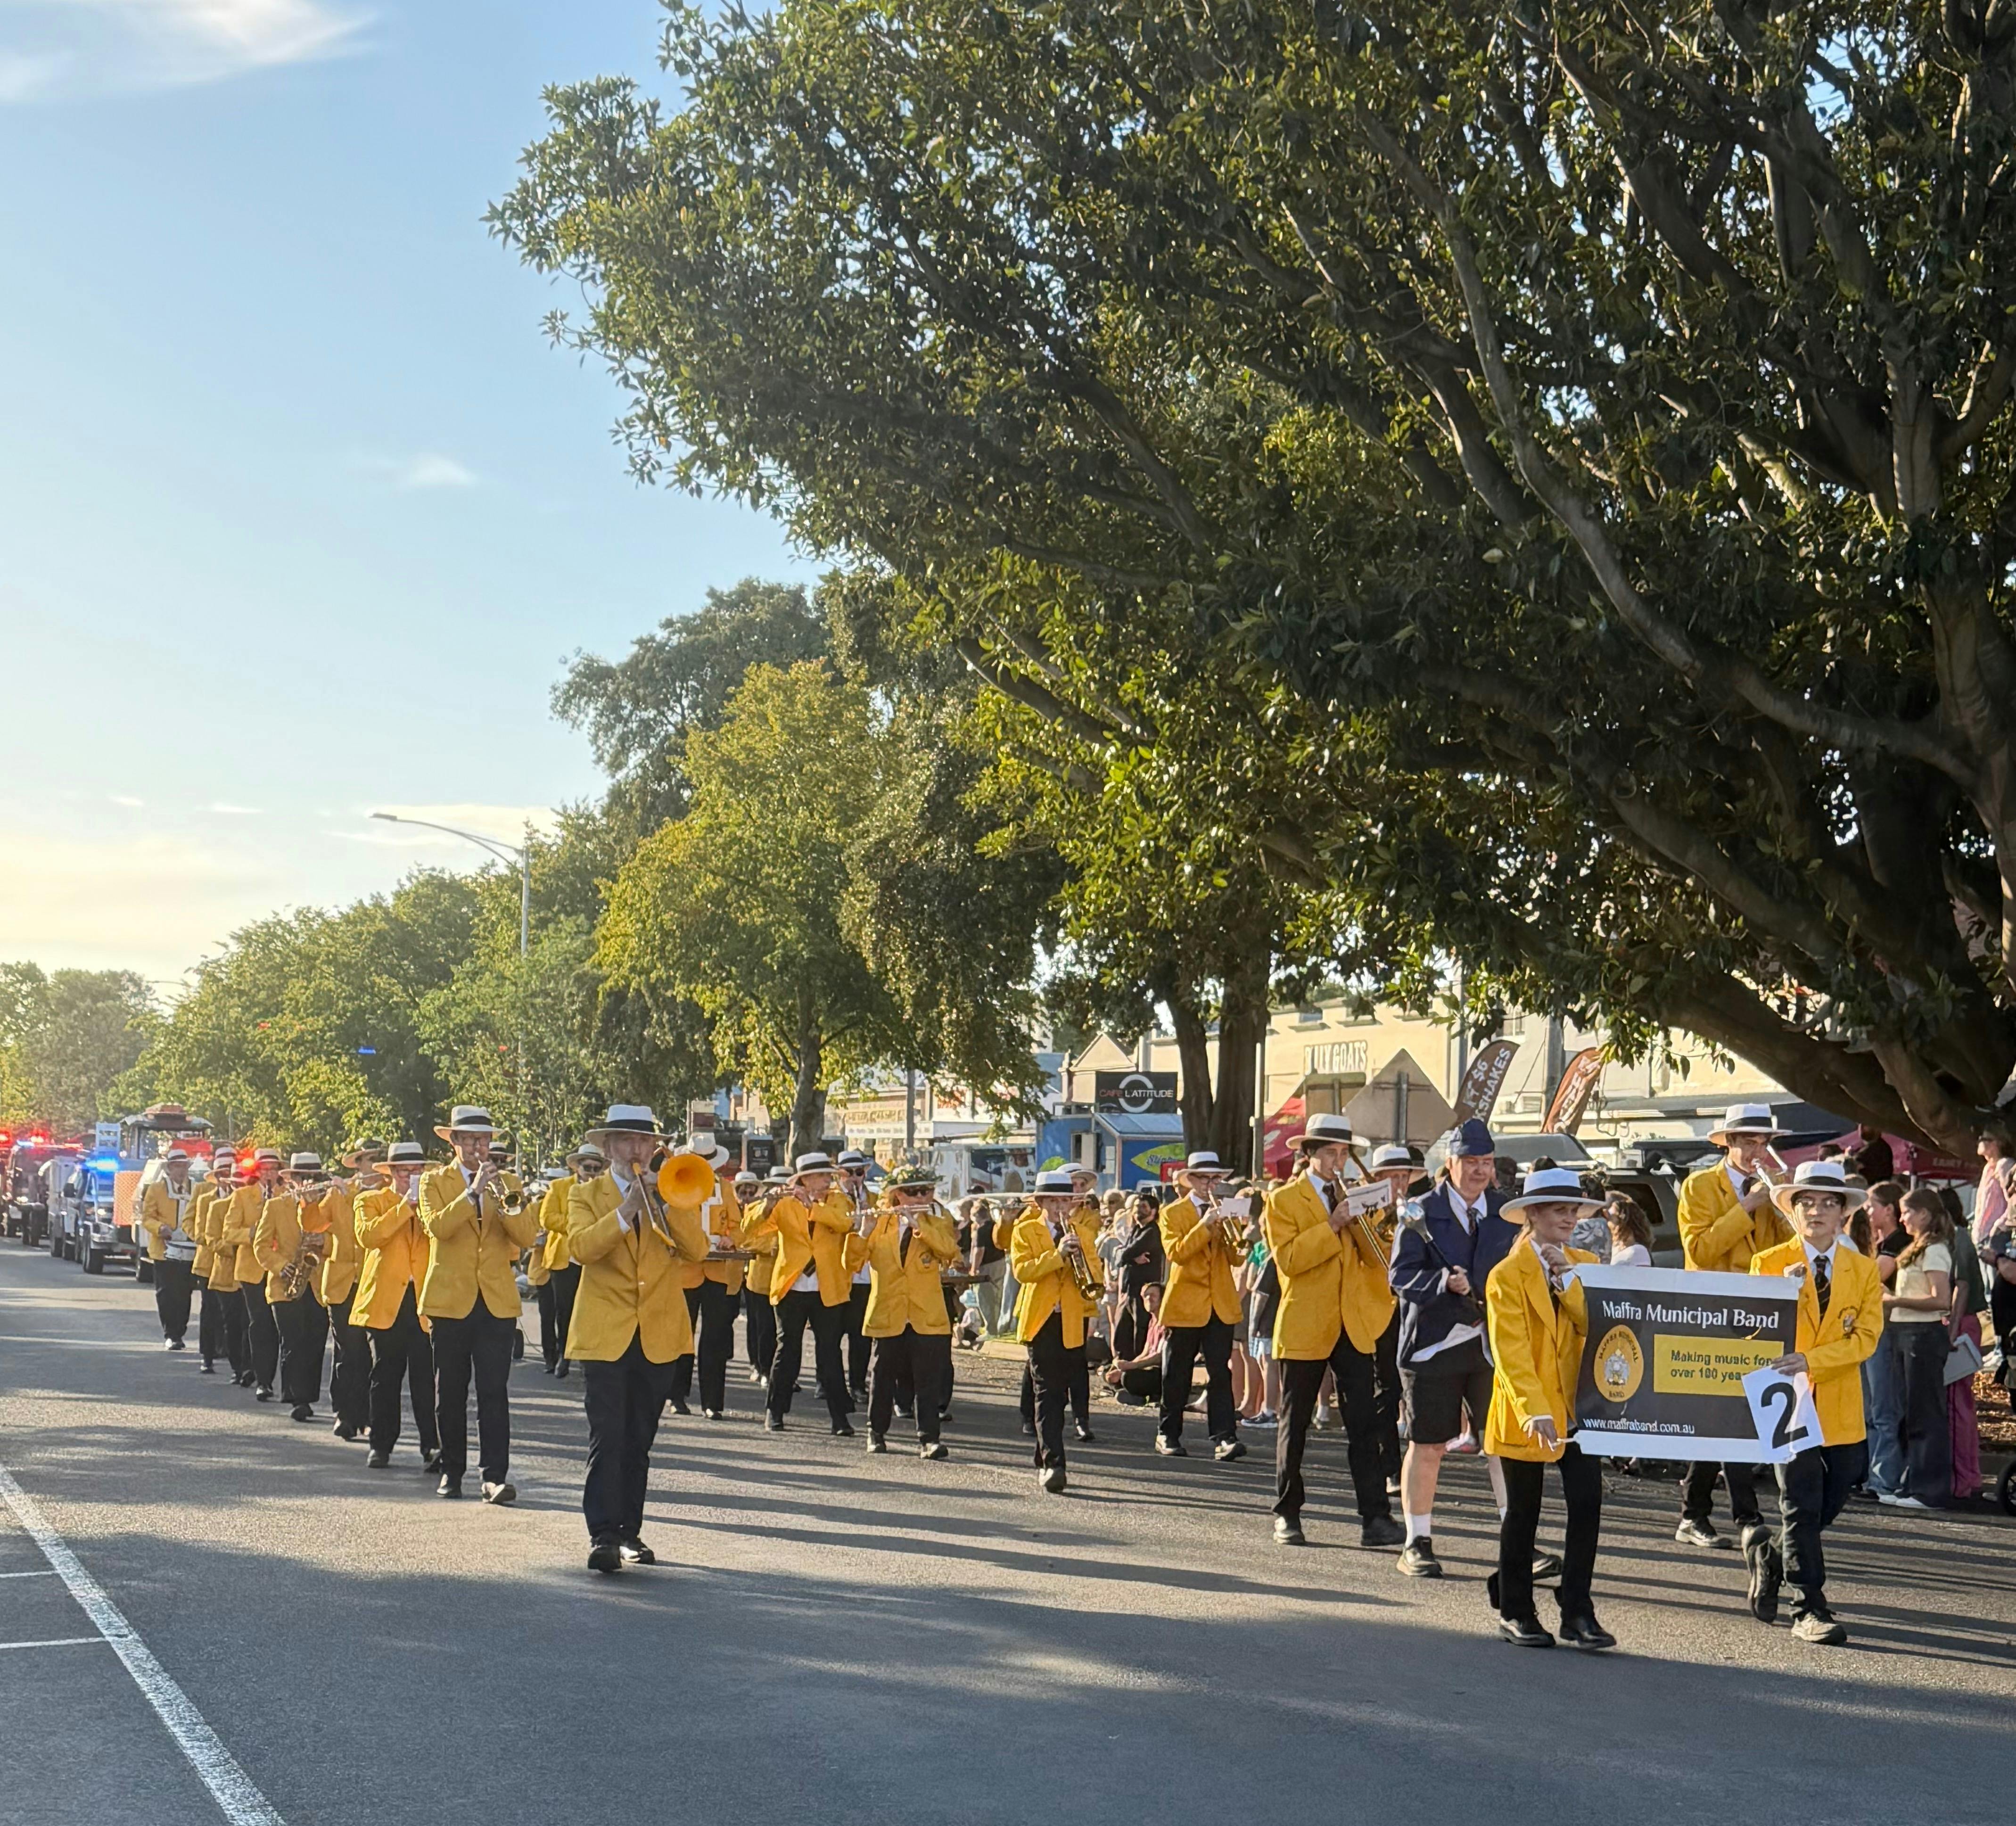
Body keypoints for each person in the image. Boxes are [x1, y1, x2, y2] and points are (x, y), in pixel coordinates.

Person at [567, 1104, 711, 1572]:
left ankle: (630, 1530)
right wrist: (628, 1209)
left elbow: (698, 1250)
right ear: (607, 1147)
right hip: (605, 1331)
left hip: (658, 1333)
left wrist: (666, 1202)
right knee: (607, 1434)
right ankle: (603, 1533)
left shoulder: (670, 1192)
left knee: (639, 1437)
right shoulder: (585, 1194)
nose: (637, 1150)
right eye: (627, 1141)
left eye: (644, 1141)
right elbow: (581, 1248)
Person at [1749, 1160, 1885, 1645]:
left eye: (1828, 1203)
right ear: (1793, 1208)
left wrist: (1811, 1359)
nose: (1816, 1211)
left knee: (1837, 1489)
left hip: (1841, 1405)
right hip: (1785, 1402)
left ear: (1843, 1214)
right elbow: (1748, 1332)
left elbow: (1865, 1339)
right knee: (1799, 1503)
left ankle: (1771, 1555)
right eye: (1806, 1201)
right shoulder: (1767, 1262)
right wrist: (1776, 1294)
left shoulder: (1863, 1269)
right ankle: (1807, 1605)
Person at [1485, 1168, 1612, 1650]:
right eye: (1558, 1208)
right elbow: (1509, 1351)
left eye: (1573, 1208)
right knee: (1523, 1512)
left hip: (1579, 1410)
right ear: (1531, 1214)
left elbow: (1598, 1326)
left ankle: (1576, 1609)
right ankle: (1515, 1608)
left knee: (1586, 1505)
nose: (1569, 1216)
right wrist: (1532, 1408)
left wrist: (1567, 1280)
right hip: (1528, 1409)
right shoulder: (1506, 1275)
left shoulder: (1582, 1262)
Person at [1266, 1113, 1404, 1551]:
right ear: (1308, 1155)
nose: (1338, 1162)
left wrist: (1371, 1218)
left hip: (1353, 1323)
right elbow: (1288, 1260)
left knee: (1364, 1423)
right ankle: (1287, 1514)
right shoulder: (1283, 1200)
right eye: (1329, 1153)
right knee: (1296, 1423)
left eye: (1343, 1154)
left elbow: (1379, 1258)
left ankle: (1375, 1518)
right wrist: (1332, 1224)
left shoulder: (1353, 1194)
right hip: (1306, 1321)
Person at [1386, 1117, 1517, 1576]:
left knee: (1504, 1445)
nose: (1479, 1170)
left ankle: (1515, 1539)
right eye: (1470, 1162)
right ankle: (1416, 1541)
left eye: (1485, 1161)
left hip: (1490, 1347)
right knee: (1428, 1444)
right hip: (1432, 1348)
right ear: (1450, 1162)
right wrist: (1441, 1280)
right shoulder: (1419, 1211)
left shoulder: (1506, 1212)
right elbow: (1399, 1276)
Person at [1672, 1103, 1794, 1551]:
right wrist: (1746, 1207)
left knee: (1729, 1417)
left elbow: (1790, 1248)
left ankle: (1694, 1512)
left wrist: (1784, 1204)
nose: (1756, 1149)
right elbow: (1700, 1251)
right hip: (1712, 1313)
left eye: (1762, 1141)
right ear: (1726, 1142)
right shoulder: (1698, 1185)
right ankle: (1747, 1518)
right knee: (1730, 1415)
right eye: (1746, 1140)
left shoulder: (1771, 1188)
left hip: (1760, 1312)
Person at [418, 1106, 539, 1502]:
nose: (478, 1147)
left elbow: (525, 1236)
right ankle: (452, 1470)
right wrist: (471, 1194)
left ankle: (494, 1477)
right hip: (449, 1301)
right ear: (453, 1143)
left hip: (495, 1302)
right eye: (469, 1140)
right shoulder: (434, 1181)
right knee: (450, 1391)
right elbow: (438, 1227)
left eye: (484, 1140)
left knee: (494, 1392)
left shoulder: (507, 1182)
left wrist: (505, 1199)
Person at [847, 1163, 959, 1458]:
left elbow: (949, 1251)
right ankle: (876, 1432)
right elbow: (851, 1264)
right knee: (883, 1375)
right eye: (914, 1192)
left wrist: (919, 1227)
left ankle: (929, 1439)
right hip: (889, 1309)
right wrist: (862, 1232)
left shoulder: (938, 1220)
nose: (922, 1196)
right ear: (897, 1196)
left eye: (927, 1190)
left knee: (928, 1379)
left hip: (926, 1312)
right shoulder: (881, 1223)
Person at [742, 1152, 856, 1435]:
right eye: (820, 1177)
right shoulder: (785, 1202)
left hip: (827, 1286)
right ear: (804, 1179)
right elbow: (749, 1231)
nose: (827, 1181)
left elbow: (846, 1224)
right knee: (788, 1350)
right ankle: (775, 1411)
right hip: (792, 1286)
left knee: (829, 1353)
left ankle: (840, 1418)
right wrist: (766, 1206)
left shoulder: (839, 1201)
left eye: (829, 1176)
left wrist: (813, 1206)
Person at [1011, 1168, 1104, 1494]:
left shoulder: (1083, 1232)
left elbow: (1096, 1277)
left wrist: (1083, 1261)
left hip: (1072, 1320)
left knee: (1061, 1394)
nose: (1060, 1207)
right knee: (1047, 1394)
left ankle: (1045, 1453)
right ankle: (1054, 1463)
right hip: (1041, 1320)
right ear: (1040, 1203)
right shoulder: (1025, 1231)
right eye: (1054, 1201)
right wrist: (1057, 1254)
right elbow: (1023, 1272)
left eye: (1066, 1200)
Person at [351, 1140, 440, 1471]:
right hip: (385, 1300)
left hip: (424, 1301)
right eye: (405, 1172)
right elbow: (369, 1237)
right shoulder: (370, 1200)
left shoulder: (432, 1204)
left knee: (426, 1379)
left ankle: (432, 1446)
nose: (412, 1177)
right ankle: (381, 1445)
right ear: (391, 1173)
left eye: (417, 1171)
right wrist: (405, 1205)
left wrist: (425, 1208)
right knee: (385, 1376)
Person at [1155, 1151, 1248, 1463]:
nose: (1211, 1184)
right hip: (1184, 1304)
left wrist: (1239, 1231)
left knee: (1219, 1373)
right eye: (1205, 1179)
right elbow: (1176, 1253)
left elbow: (1238, 1258)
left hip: (1219, 1304)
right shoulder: (1172, 1213)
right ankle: (1167, 1433)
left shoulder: (1228, 1209)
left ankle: (1225, 1438)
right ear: (1191, 1180)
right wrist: (1205, 1225)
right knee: (1176, 1373)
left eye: (1215, 1179)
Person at [1884, 1186, 1954, 1508]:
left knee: (1925, 1412)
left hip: (1922, 1334)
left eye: (1907, 1212)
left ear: (1924, 1214)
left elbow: (1941, 1300)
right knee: (1908, 1411)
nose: (1902, 1218)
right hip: (1905, 1331)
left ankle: (1930, 1490)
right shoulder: (1917, 1247)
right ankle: (1911, 1483)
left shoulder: (1935, 1250)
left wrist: (1895, 1300)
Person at [254, 1153, 336, 1423]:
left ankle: (308, 1396)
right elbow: (261, 1246)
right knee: (293, 1340)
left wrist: (322, 1243)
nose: (307, 1183)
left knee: (314, 1342)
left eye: (312, 1178)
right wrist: (281, 1266)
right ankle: (296, 1398)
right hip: (285, 1285)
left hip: (317, 1282)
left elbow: (339, 1241)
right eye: (302, 1178)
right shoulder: (276, 1206)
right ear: (291, 1179)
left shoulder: (328, 1206)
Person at [668, 1139, 745, 1419]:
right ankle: (677, 1396)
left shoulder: (724, 1188)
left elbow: (738, 1227)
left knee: (715, 1339)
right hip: (685, 1270)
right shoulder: (677, 1184)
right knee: (681, 1335)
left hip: (717, 1271)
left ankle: (713, 1402)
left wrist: (730, 1239)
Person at [318, 1141, 379, 1443]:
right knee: (348, 1351)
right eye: (368, 1160)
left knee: (373, 1355)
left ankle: (370, 1416)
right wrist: (312, 1199)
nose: (373, 1166)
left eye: (378, 1160)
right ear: (357, 1164)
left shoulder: (389, 1194)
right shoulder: (338, 1193)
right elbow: (314, 1224)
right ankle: (345, 1414)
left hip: (374, 1280)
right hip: (342, 1282)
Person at [535, 1143, 599, 1377]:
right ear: (577, 1167)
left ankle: (587, 1359)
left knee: (591, 1311)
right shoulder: (560, 1187)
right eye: (588, 1167)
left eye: (596, 1168)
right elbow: (547, 1218)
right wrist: (576, 1226)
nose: (591, 1172)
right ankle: (564, 1355)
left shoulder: (603, 1189)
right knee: (564, 1310)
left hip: (593, 1258)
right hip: (565, 1258)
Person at [223, 1149, 284, 1397]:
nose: (269, 1174)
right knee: (260, 1324)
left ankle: (279, 1380)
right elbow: (228, 1232)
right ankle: (263, 1381)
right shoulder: (242, 1196)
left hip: (280, 1268)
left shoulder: (287, 1195)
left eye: (273, 1169)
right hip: (252, 1270)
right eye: (265, 1169)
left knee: (280, 1327)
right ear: (257, 1172)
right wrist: (252, 1234)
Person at [138, 1148, 201, 1351]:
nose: (181, 1171)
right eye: (177, 1166)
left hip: (190, 1249)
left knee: (185, 1293)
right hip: (164, 1250)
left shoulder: (197, 1188)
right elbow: (147, 1217)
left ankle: (179, 1332)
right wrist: (160, 1228)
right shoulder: (157, 1189)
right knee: (166, 1293)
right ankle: (171, 1334)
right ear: (169, 1169)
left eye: (183, 1166)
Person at [193, 1152, 247, 1380]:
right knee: (210, 1313)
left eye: (230, 1172)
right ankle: (207, 1356)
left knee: (238, 1318)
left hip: (243, 1267)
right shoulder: (207, 1200)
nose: (227, 1177)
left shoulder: (246, 1199)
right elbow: (200, 1232)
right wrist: (228, 1248)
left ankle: (239, 1361)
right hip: (210, 1264)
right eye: (222, 1173)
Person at [837, 1150, 876, 1403]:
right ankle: (826, 1381)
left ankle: (858, 1384)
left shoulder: (873, 1198)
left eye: (859, 1172)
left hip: (863, 1275)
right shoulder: (831, 1199)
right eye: (848, 1173)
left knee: (861, 1335)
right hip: (836, 1273)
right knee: (831, 1334)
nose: (854, 1178)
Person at [736, 1168, 779, 1386]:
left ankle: (779, 1372)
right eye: (775, 1189)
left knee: (781, 1331)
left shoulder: (795, 1210)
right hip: (760, 1278)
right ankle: (761, 1368)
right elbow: (745, 1240)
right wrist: (770, 1246)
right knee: (761, 1326)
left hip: (786, 1279)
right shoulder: (755, 1210)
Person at [1105, 1281, 1167, 1406]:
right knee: (1110, 1372)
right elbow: (1146, 1352)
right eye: (1146, 1296)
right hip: (1148, 1368)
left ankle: (1143, 1395)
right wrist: (1126, 1366)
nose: (1149, 1299)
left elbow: (1160, 1357)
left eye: (1153, 1295)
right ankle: (1134, 1394)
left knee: (1128, 1377)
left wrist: (1132, 1367)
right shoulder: (1152, 1321)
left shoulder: (1166, 1322)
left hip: (1162, 1372)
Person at [1605, 1195, 1654, 1268]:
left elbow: (1642, 1278)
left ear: (1623, 1219)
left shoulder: (1638, 1251)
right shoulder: (1613, 1248)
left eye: (1610, 1215)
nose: (1607, 1218)